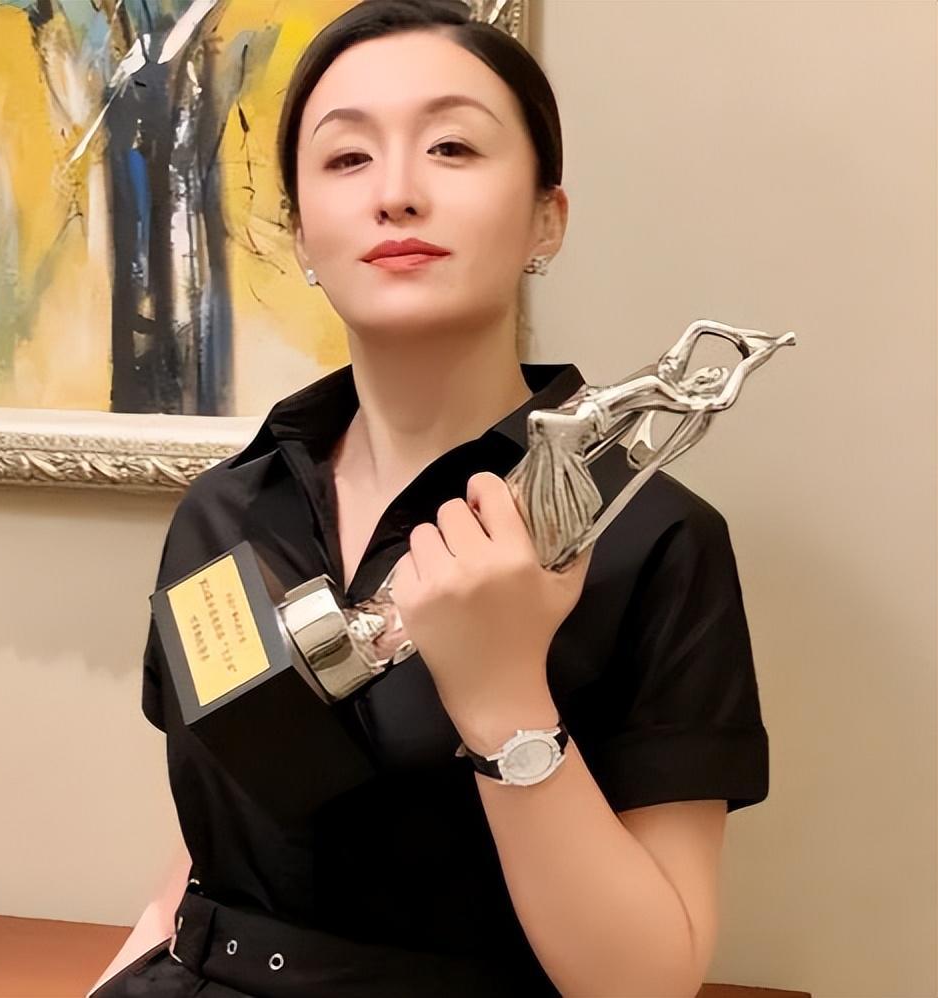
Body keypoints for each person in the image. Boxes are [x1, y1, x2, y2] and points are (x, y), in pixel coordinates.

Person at [90, 1, 769, 994]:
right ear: (302, 234)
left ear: (546, 217)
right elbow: (210, 857)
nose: (397, 193)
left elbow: (646, 981)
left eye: (452, 147)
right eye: (347, 158)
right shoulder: (223, 511)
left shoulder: (650, 539)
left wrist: (501, 692)